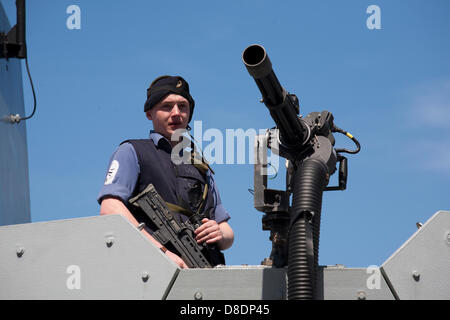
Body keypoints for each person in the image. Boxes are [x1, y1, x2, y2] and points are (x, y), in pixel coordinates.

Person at [97, 75, 234, 269]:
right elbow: (110, 207)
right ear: (149, 114)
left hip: (206, 272)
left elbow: (226, 232)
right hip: (150, 271)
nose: (176, 113)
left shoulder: (201, 166)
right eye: (166, 106)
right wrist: (161, 253)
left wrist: (219, 233)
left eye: (183, 106)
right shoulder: (132, 151)